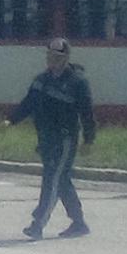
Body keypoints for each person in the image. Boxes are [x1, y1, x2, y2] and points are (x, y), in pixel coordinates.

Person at [12, 35, 98, 239]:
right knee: (61, 180)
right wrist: (11, 120)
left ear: (66, 58)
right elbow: (28, 104)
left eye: (57, 57)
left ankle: (38, 223)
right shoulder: (41, 81)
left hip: (65, 139)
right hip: (45, 138)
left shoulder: (77, 83)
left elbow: (87, 113)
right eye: (50, 56)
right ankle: (78, 223)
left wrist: (88, 139)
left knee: (52, 179)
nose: (52, 60)